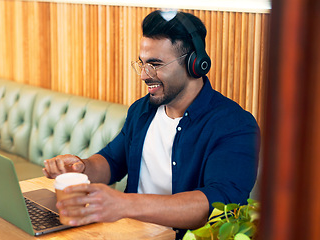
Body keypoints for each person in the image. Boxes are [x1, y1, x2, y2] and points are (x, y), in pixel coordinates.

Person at [43, 10, 260, 239]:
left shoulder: (235, 125)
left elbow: (219, 204)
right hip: (127, 232)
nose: (144, 75)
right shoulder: (142, 110)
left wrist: (126, 204)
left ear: (195, 64)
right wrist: (81, 167)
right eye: (142, 64)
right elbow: (113, 161)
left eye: (155, 64)